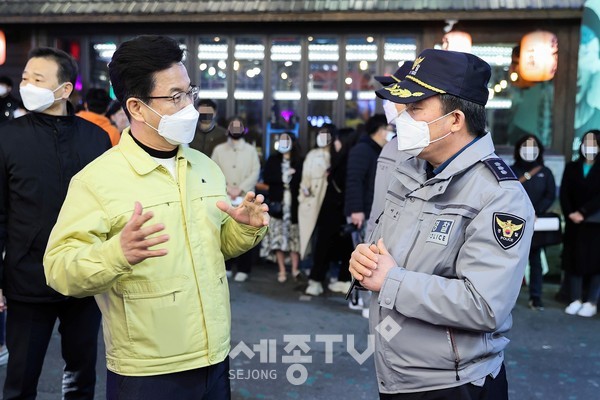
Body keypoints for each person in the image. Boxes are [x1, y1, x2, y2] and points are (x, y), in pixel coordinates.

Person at [43, 35, 269, 400]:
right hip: (147, 370)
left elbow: (212, 247)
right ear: (136, 106)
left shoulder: (204, 167)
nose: (189, 107)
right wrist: (117, 253)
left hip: (214, 356)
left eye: (189, 92)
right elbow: (59, 269)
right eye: (175, 96)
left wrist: (243, 228)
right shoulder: (98, 181)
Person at [349, 49, 534, 399]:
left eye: (416, 108)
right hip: (398, 374)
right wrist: (365, 261)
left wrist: (391, 280)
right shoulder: (410, 172)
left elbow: (484, 305)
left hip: (453, 384)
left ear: (455, 120)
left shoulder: (498, 196)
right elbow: (387, 256)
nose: (400, 118)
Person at [0, 47, 111, 400]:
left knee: (81, 376)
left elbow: (108, 209)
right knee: (21, 377)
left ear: (64, 90)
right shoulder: (7, 137)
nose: (26, 85)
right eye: (24, 78)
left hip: (83, 275)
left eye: (38, 79)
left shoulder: (95, 139)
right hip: (26, 277)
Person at [304, 125, 356, 296]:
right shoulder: (345, 159)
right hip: (341, 212)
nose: (335, 144)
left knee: (323, 246)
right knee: (342, 246)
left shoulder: (343, 162)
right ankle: (340, 279)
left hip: (332, 210)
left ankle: (317, 280)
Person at [211, 116, 261, 282]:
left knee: (245, 229)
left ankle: (244, 268)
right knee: (224, 229)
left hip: (245, 195)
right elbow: (213, 169)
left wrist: (240, 188)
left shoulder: (251, 150)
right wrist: (227, 188)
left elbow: (255, 171)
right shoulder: (219, 149)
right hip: (224, 195)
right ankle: (226, 266)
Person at [511, 135, 556, 310]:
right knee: (512, 262)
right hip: (514, 223)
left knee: (535, 260)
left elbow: (550, 195)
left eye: (533, 146)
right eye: (525, 146)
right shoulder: (510, 170)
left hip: (537, 223)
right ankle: (507, 297)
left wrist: (536, 212)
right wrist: (523, 213)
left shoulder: (545, 172)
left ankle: (535, 297)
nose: (529, 150)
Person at [560, 129, 600, 318]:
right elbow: (564, 194)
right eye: (586, 142)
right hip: (574, 222)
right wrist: (571, 213)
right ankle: (574, 299)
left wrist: (583, 212)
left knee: (595, 263)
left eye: (593, 142)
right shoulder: (572, 167)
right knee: (573, 260)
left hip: (594, 223)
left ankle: (591, 301)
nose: (589, 146)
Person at [260, 133, 303, 282]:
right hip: (278, 205)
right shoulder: (273, 159)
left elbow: (302, 182)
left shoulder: (299, 161)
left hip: (294, 207)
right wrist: (283, 176)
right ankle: (282, 270)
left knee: (294, 239)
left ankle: (295, 269)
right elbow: (267, 178)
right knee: (278, 239)